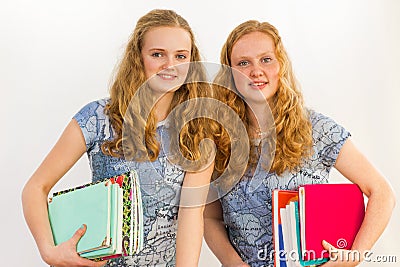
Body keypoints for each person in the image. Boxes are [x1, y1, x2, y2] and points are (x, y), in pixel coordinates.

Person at [22, 9, 215, 267]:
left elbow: (190, 216)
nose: (170, 65)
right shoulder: (97, 118)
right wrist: (49, 251)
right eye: (158, 54)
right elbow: (35, 188)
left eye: (180, 56)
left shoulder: (198, 129)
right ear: (138, 57)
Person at [204, 20, 396, 267]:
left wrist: (351, 258)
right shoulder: (219, 137)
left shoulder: (317, 129)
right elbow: (210, 217)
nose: (255, 71)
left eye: (266, 59)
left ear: (280, 65)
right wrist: (233, 263)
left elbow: (382, 193)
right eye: (243, 63)